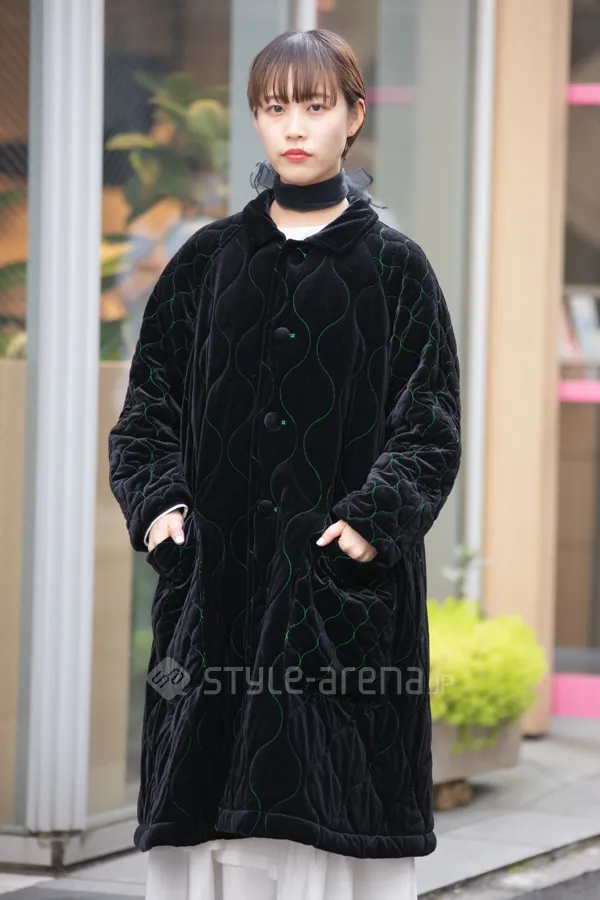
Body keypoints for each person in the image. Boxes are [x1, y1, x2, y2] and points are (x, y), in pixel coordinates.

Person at [108, 28, 461, 900]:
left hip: (336, 603)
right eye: (274, 108)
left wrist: (370, 526)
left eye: (314, 106)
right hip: (215, 593)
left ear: (354, 115)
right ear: (256, 120)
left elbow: (429, 427)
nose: (294, 127)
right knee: (206, 812)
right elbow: (147, 413)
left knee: (323, 817)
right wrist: (161, 511)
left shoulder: (396, 269)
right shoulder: (205, 262)